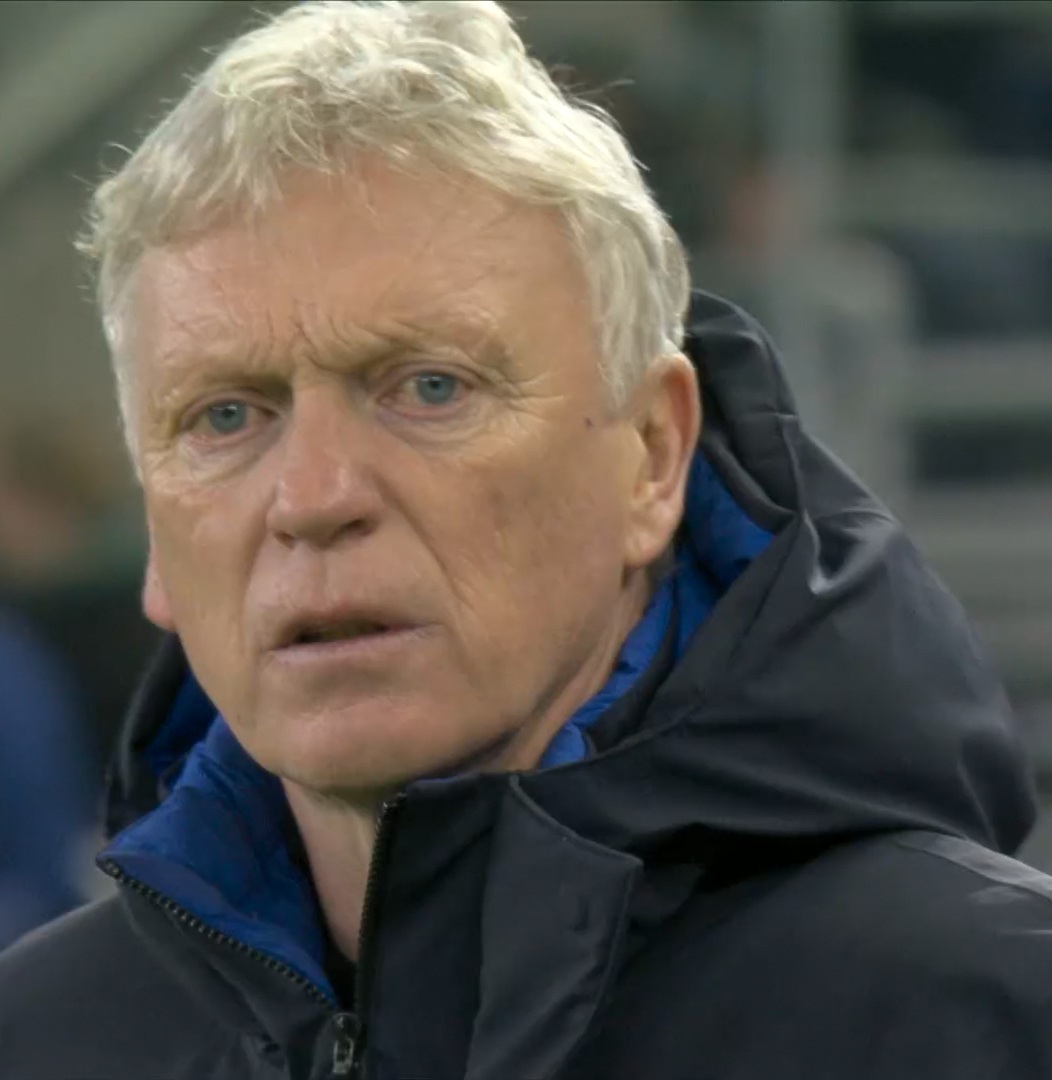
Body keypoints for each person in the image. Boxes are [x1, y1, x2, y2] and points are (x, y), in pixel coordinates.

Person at [1, 3, 1050, 1077]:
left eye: (429, 388)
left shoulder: (985, 1016)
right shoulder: (38, 1040)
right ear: (155, 532)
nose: (313, 498)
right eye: (224, 417)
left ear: (651, 457)